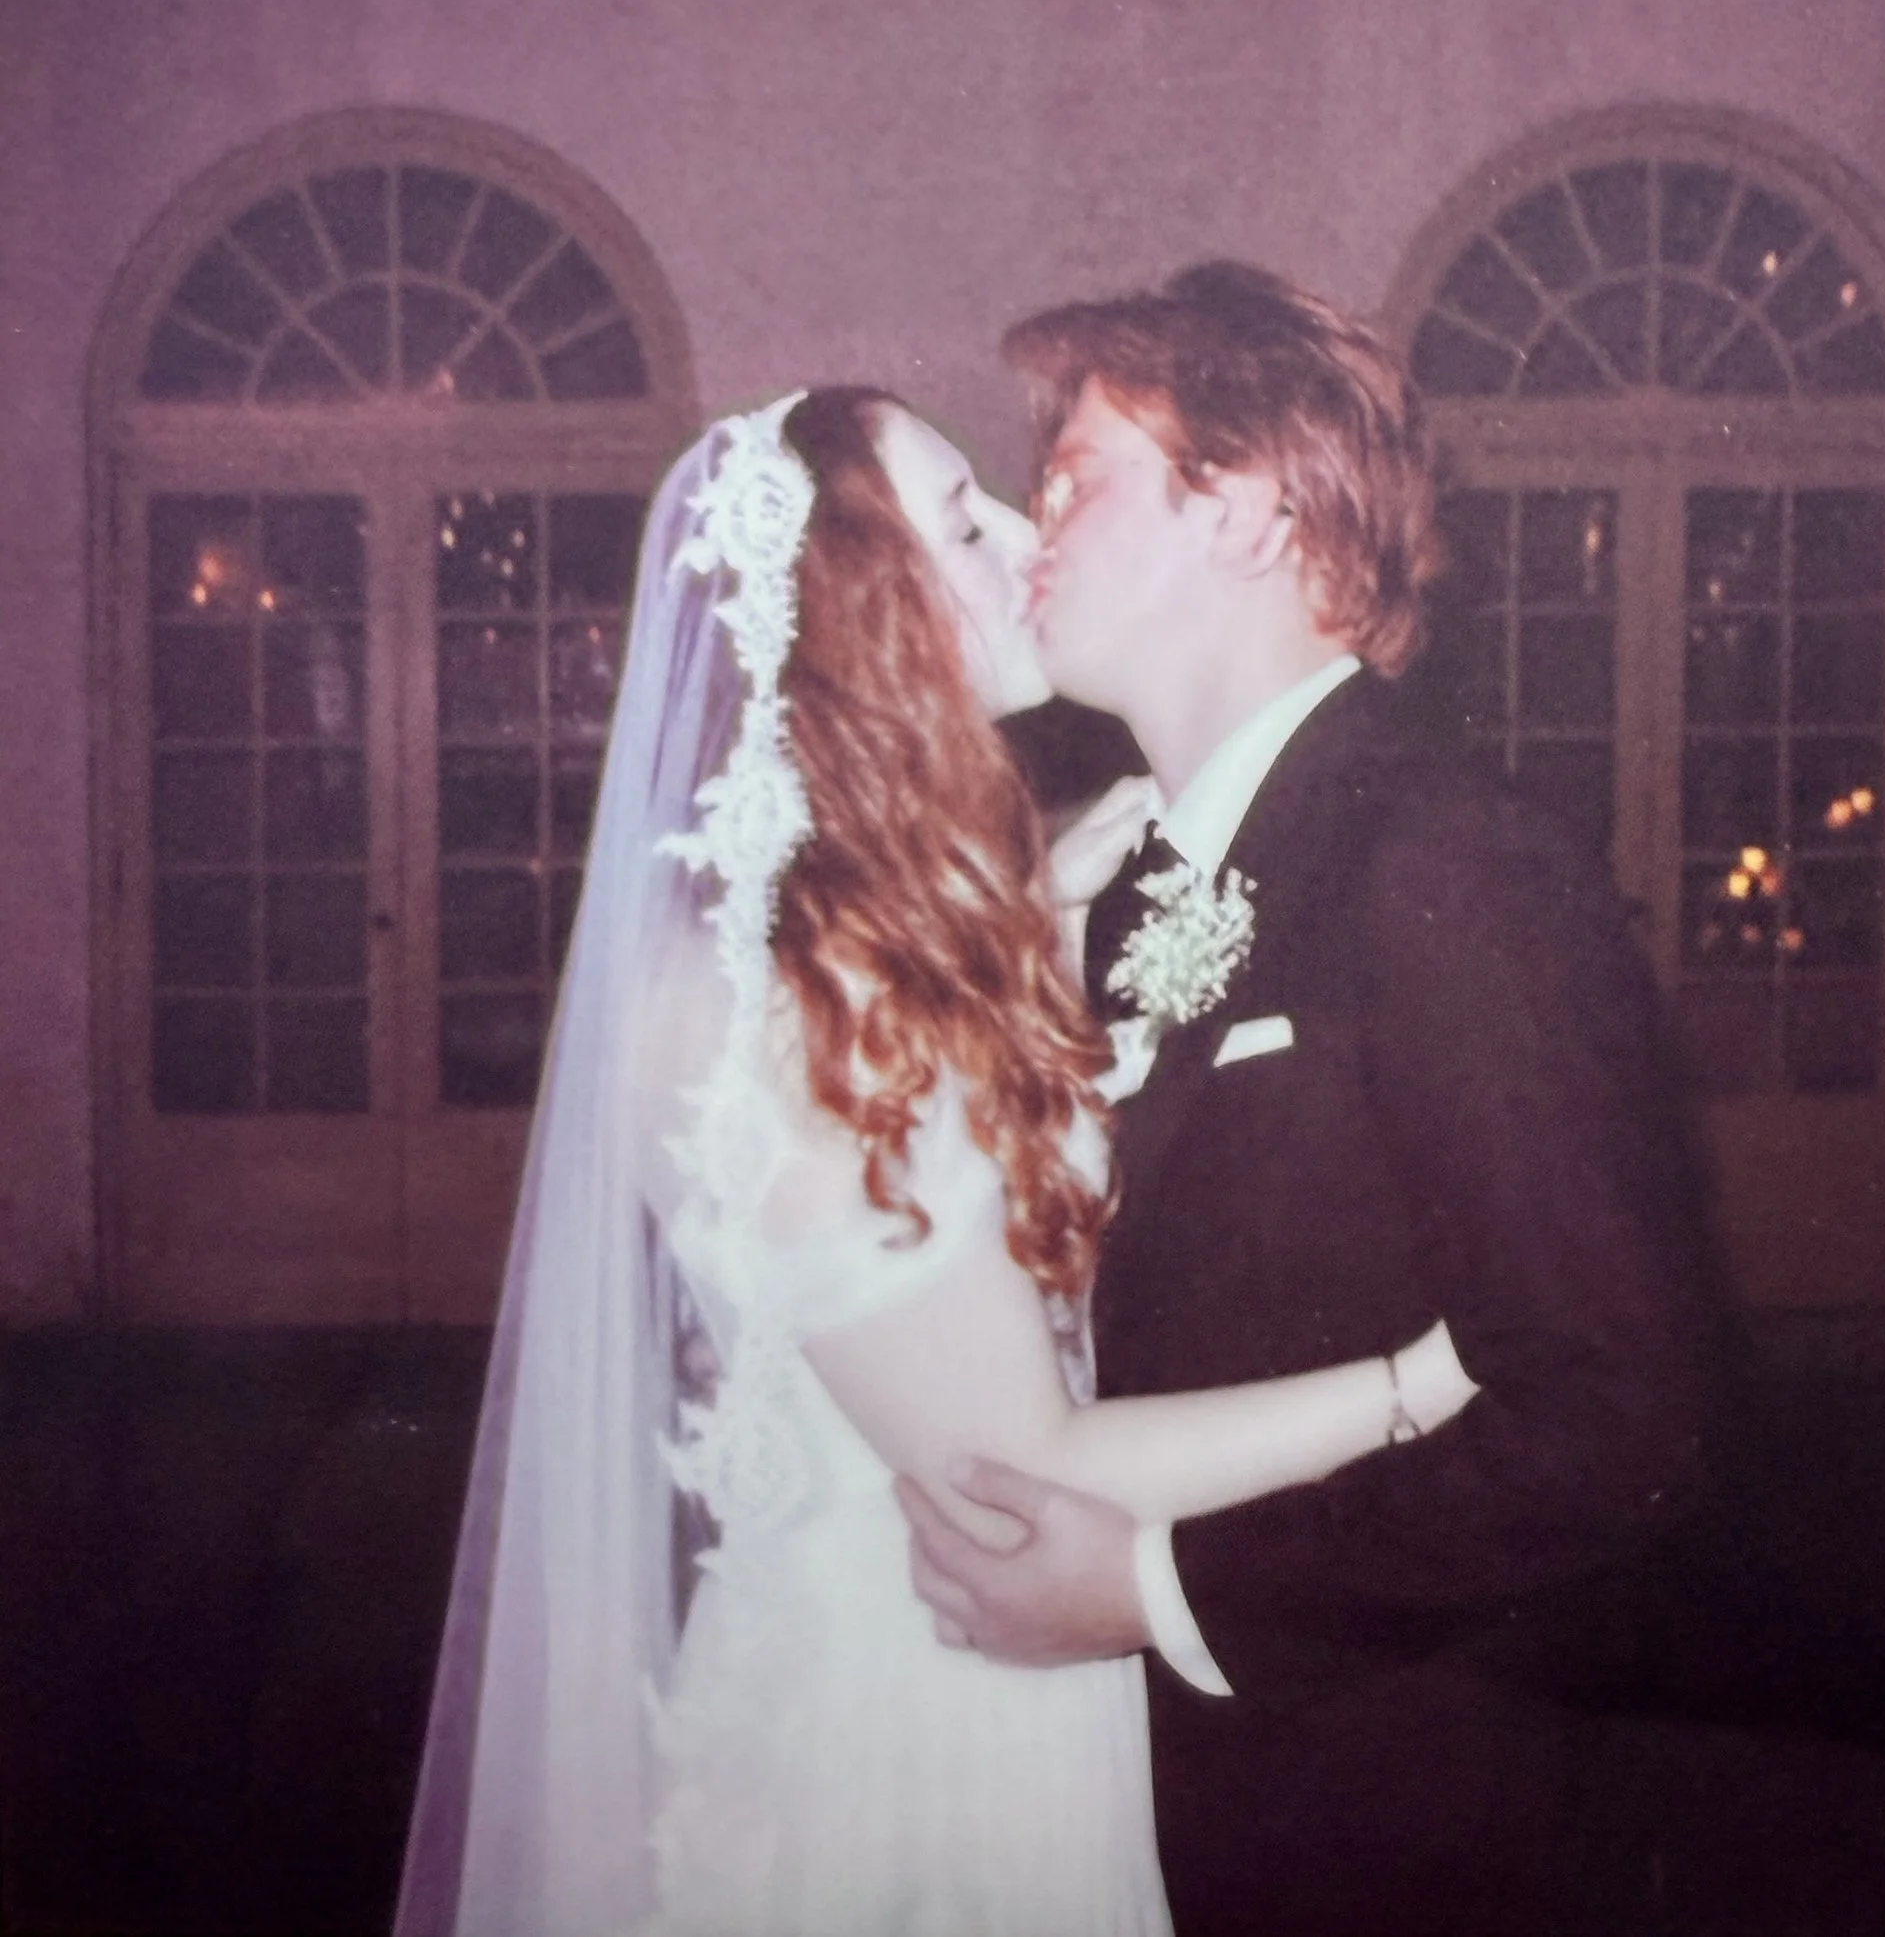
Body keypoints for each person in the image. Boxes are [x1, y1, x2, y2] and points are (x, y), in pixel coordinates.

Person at [394, 384, 1479, 1937]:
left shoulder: (859, 943)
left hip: (947, 1669)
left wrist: (1035, 901)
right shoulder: (788, 1004)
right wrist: (1419, 1387)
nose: (1029, 535)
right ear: (859, 614)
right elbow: (1017, 1466)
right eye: (964, 518)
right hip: (910, 1730)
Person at [896, 263, 1726, 1937]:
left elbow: (1623, 1417)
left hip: (1386, 1821)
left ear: (1254, 511)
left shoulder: (1447, 863)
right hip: (1132, 1810)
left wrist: (1151, 1586)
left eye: (1077, 477)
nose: (1026, 515)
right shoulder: (1117, 889)